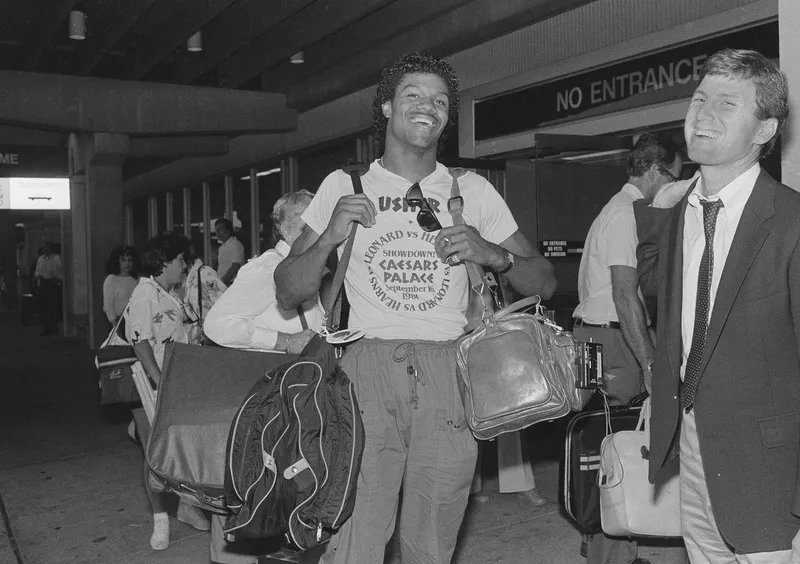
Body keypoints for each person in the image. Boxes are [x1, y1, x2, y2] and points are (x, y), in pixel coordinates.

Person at [274, 52, 557, 564]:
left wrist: (492, 254)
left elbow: (544, 279)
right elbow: (289, 289)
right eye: (413, 96)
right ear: (385, 108)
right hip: (365, 371)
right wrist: (326, 241)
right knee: (355, 534)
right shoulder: (345, 187)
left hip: (449, 373)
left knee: (432, 538)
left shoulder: (470, 190)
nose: (428, 107)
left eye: (440, 100)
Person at [636, 49, 799, 563]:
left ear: (764, 130)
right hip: (691, 446)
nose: (703, 114)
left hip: (771, 469)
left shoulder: (790, 221)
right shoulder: (679, 215)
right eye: (700, 98)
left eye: (727, 104)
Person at [573, 133, 682, 564]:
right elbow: (625, 295)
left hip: (598, 337)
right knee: (615, 444)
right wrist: (652, 362)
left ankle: (605, 544)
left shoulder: (615, 210)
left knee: (605, 441)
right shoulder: (623, 215)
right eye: (673, 175)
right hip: (612, 342)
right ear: (655, 171)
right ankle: (610, 551)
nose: (674, 185)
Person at [203, 190, 323, 564]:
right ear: (284, 228)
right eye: (301, 219)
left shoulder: (310, 267)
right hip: (262, 404)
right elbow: (218, 325)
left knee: (287, 500)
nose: (310, 225)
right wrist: (283, 340)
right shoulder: (268, 268)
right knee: (250, 495)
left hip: (292, 403)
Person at [123, 233, 210, 551]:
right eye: (179, 261)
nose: (183, 267)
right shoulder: (145, 293)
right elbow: (140, 341)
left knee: (180, 447)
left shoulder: (167, 292)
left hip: (178, 381)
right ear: (164, 262)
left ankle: (186, 505)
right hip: (156, 384)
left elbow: (172, 331)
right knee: (155, 455)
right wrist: (159, 380)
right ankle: (160, 520)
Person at [182, 246, 227, 344]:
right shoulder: (184, 278)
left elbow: (225, 303)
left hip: (208, 337)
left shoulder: (204, 272)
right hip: (194, 339)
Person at [102, 245, 141, 327]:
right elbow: (108, 306)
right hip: (118, 322)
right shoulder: (111, 279)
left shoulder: (138, 279)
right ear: (117, 262)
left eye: (129, 260)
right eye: (123, 260)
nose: (127, 263)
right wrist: (115, 326)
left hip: (136, 322)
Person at [35, 241, 63, 335]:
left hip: (52, 283)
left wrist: (56, 280)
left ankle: (54, 327)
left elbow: (60, 273)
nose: (45, 250)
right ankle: (45, 328)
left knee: (52, 307)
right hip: (42, 283)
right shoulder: (40, 259)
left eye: (47, 248)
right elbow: (37, 270)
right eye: (44, 248)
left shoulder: (56, 259)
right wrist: (38, 275)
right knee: (43, 307)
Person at [214, 218, 245, 285]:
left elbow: (235, 266)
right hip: (222, 283)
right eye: (216, 229)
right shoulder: (221, 247)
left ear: (228, 230)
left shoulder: (235, 244)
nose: (217, 232)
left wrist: (222, 282)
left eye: (220, 229)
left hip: (231, 283)